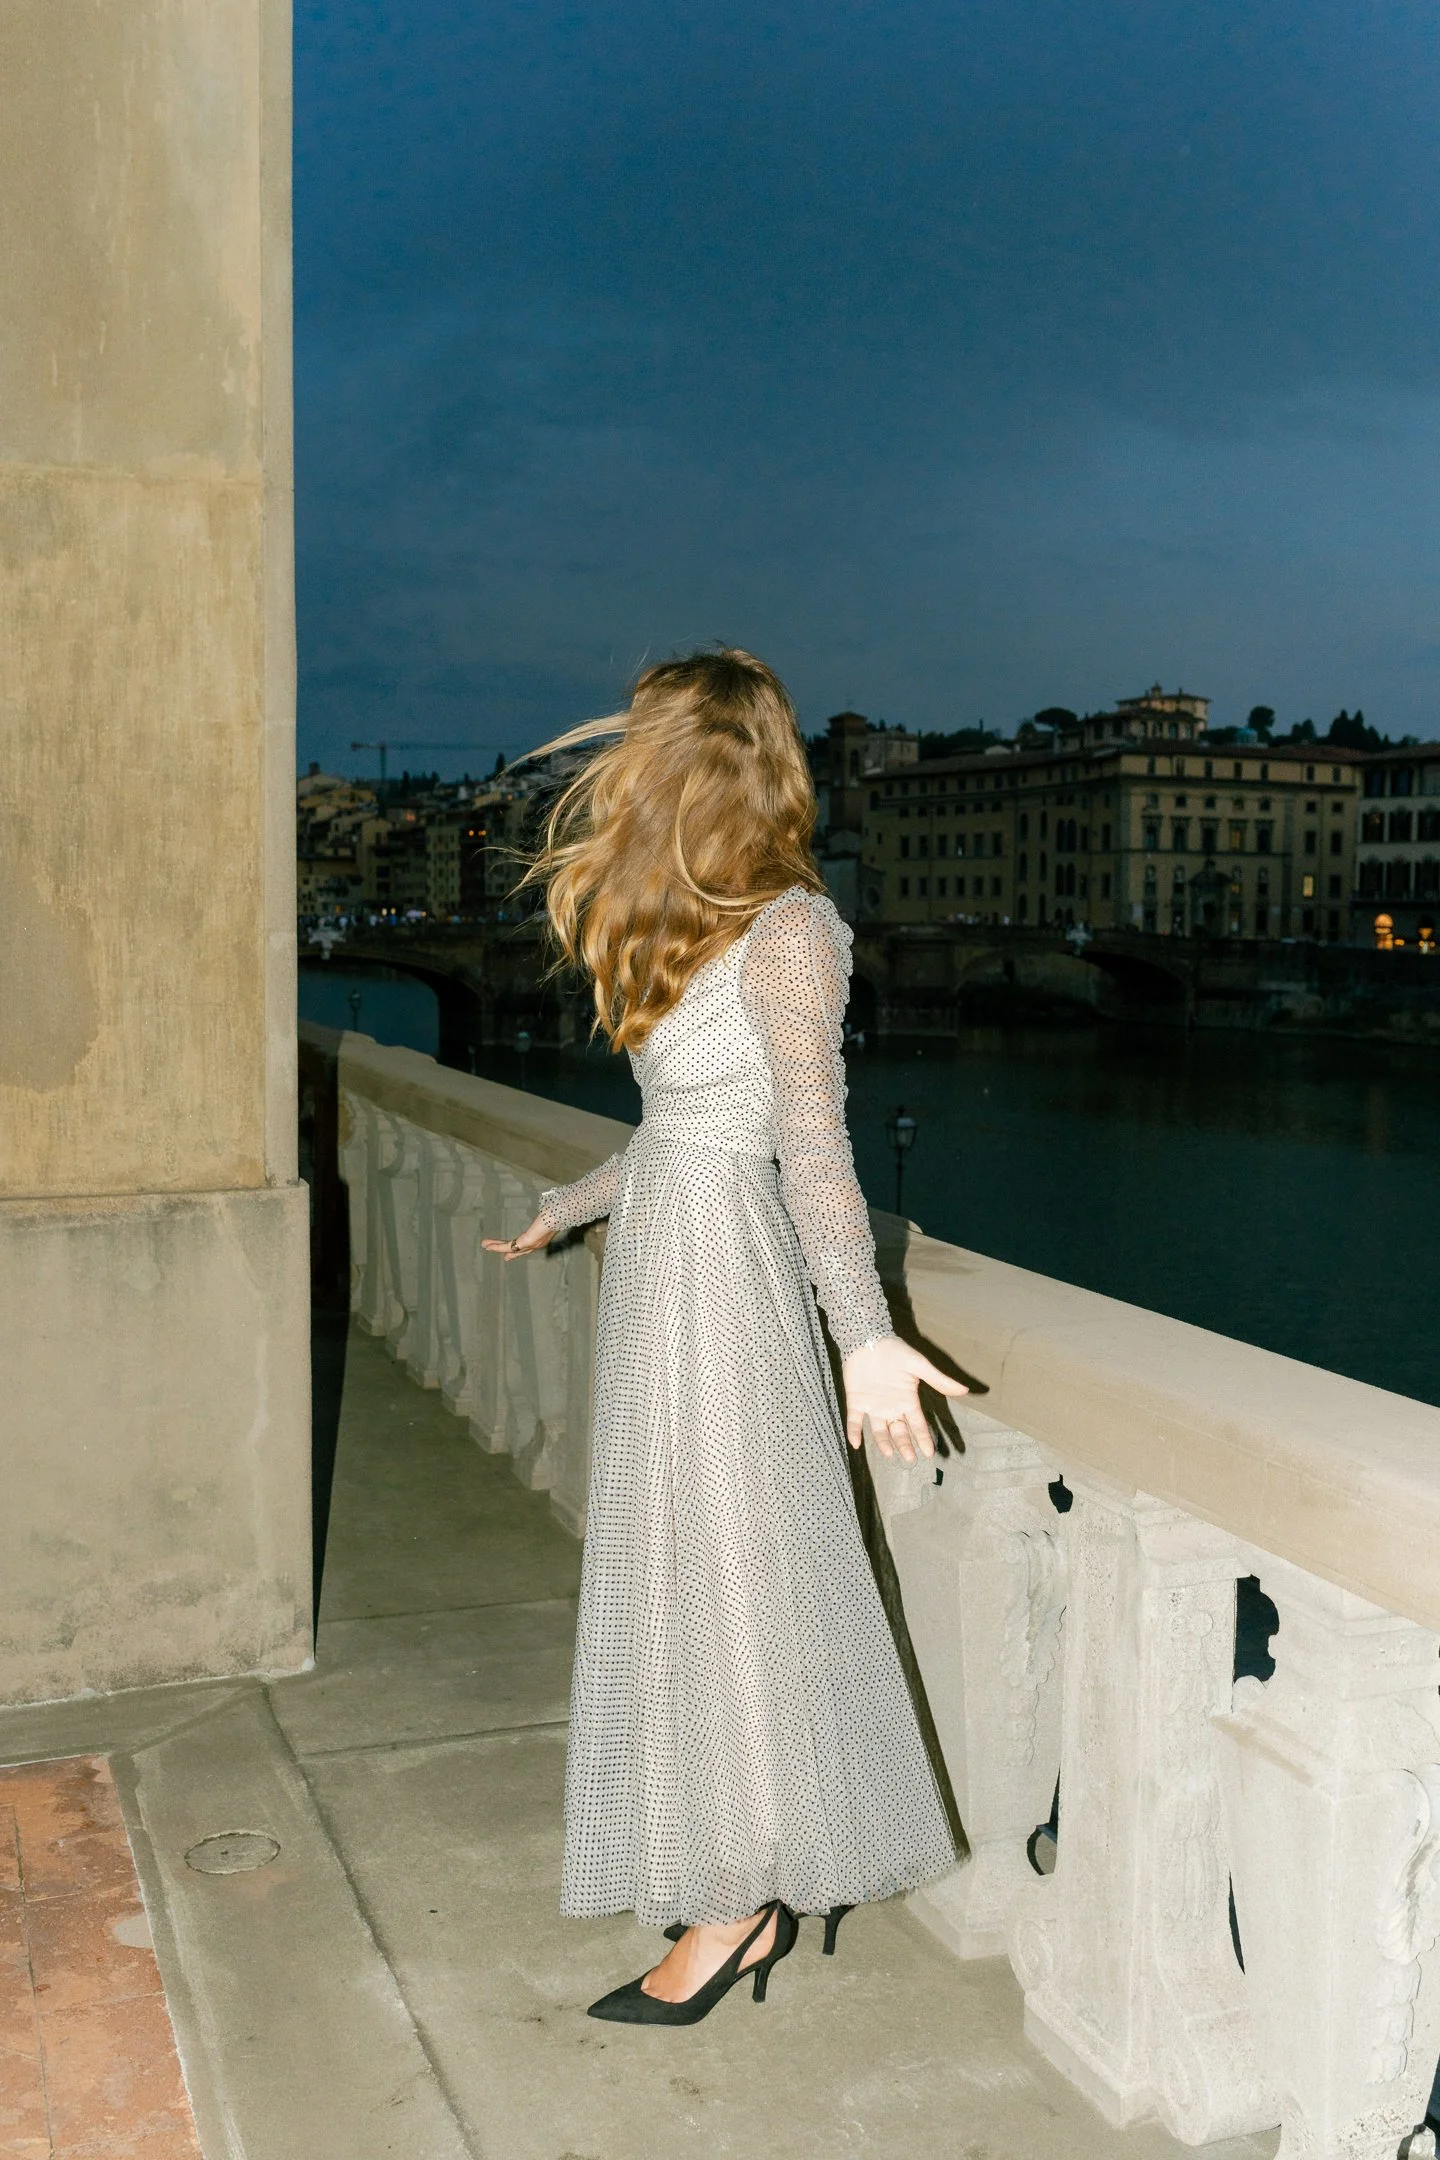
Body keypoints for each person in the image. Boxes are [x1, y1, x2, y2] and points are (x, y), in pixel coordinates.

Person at [483, 648, 964, 2026]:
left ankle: (738, 1903)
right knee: (683, 1579)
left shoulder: (795, 929)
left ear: (690, 762)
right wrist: (565, 1210)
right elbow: (676, 1132)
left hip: (735, 1290)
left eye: (644, 742)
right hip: (665, 1280)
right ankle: (732, 1886)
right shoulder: (691, 917)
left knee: (733, 1589)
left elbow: (812, 1155)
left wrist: (864, 1336)